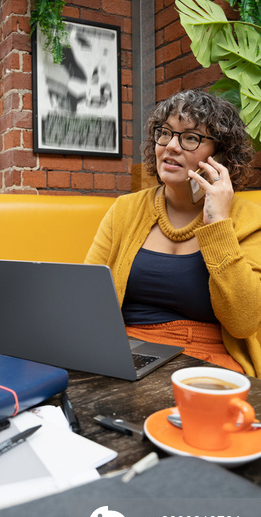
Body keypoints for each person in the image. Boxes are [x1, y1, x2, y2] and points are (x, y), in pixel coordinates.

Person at [84, 89, 261, 376]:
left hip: (207, 361)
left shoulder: (250, 220)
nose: (171, 146)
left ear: (221, 155)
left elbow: (244, 321)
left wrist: (217, 223)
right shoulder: (125, 210)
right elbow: (88, 296)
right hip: (125, 350)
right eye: (165, 133)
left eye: (191, 138)